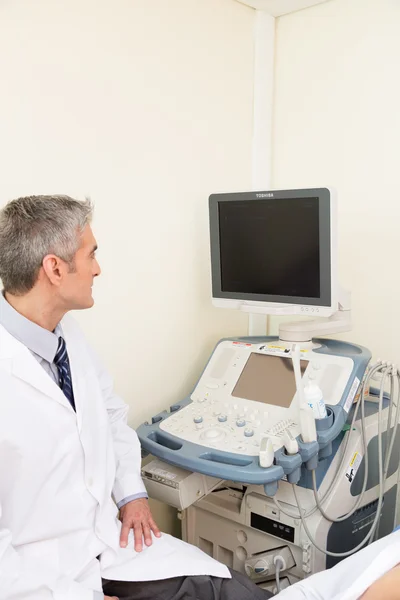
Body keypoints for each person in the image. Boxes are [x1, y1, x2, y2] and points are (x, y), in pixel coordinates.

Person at [0, 195, 272, 600]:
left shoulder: (65, 335)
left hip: (108, 546)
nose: (98, 269)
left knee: (233, 589)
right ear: (55, 268)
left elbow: (109, 414)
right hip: (39, 581)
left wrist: (131, 493)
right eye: (91, 254)